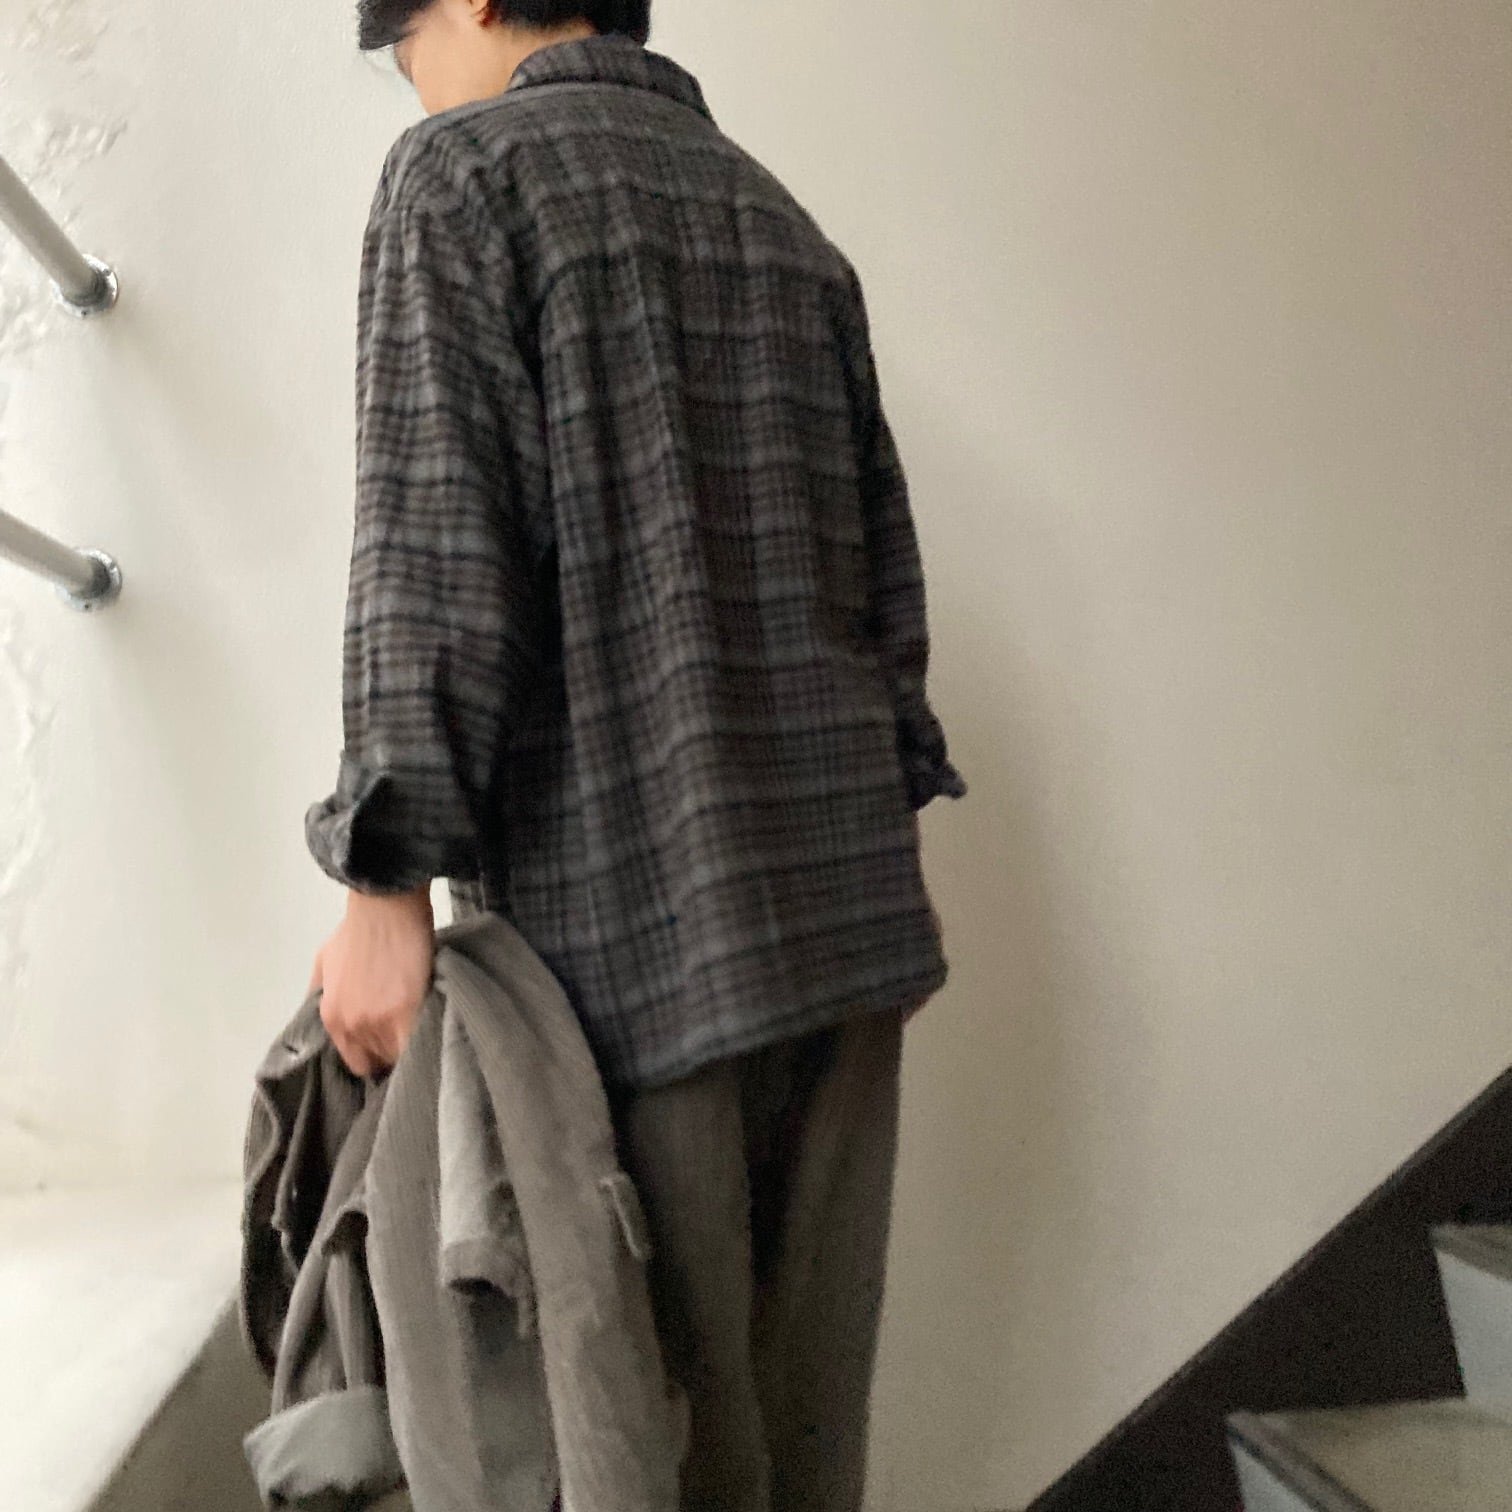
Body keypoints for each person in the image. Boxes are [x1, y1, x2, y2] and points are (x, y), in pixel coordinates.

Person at [305, 3, 965, 1506]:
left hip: (629, 949)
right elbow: (885, 599)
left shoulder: (460, 175)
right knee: (804, 1445)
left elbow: (433, 547)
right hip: (851, 935)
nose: (409, 88)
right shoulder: (782, 222)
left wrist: (382, 884)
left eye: (405, 48)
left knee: (638, 1443)